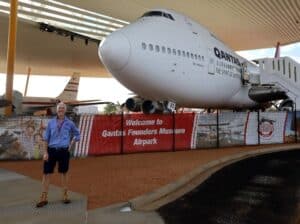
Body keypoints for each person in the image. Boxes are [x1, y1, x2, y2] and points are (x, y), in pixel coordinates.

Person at [36, 102, 80, 208]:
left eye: (62, 108)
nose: (61, 110)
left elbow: (77, 134)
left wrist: (71, 143)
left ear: (65, 110)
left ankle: (65, 195)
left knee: (64, 173)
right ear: (57, 110)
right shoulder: (51, 123)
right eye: (59, 108)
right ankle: (44, 197)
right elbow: (46, 138)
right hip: (51, 151)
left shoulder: (70, 123)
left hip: (64, 151)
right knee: (46, 174)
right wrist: (45, 152)